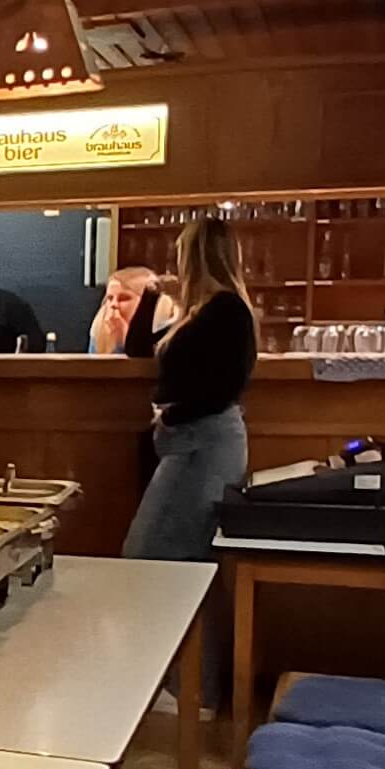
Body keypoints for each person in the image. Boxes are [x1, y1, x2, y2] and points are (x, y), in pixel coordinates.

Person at [121, 218, 259, 705]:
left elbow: (224, 386)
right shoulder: (201, 311)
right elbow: (137, 347)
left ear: (196, 255)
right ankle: (189, 688)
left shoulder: (227, 311)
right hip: (194, 442)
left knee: (162, 560)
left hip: (205, 444)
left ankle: (190, 689)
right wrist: (150, 296)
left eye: (182, 253)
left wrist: (170, 414)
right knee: (182, 562)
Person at [88, 265, 178, 356]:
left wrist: (126, 340)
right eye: (110, 298)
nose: (113, 304)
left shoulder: (165, 329)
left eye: (124, 298)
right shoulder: (99, 326)